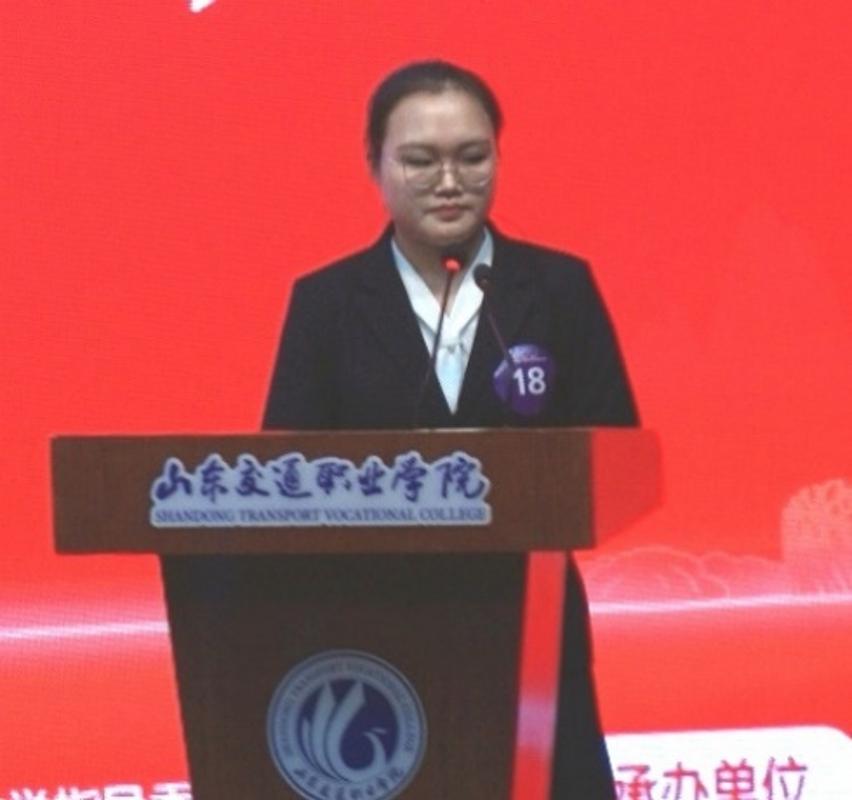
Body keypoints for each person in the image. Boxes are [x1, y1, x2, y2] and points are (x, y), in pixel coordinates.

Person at [263, 60, 637, 800]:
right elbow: (284, 473)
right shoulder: (327, 303)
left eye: (472, 157)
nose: (449, 182)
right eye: (420, 160)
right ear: (374, 164)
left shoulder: (556, 288)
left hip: (533, 624)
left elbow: (614, 450)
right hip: (374, 633)